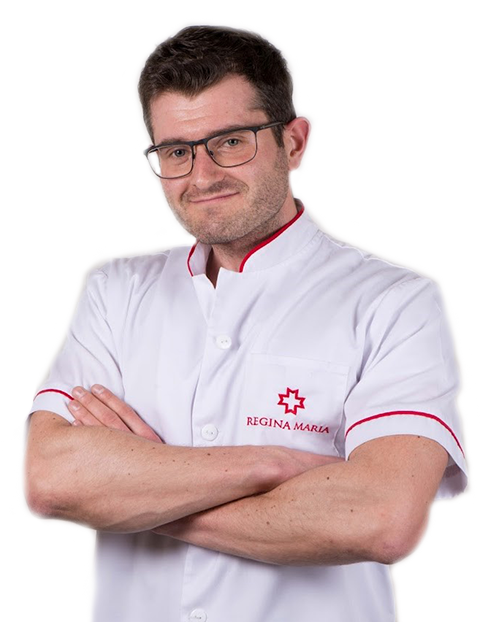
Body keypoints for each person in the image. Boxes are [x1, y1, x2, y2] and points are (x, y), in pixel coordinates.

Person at [21, 24, 468, 622]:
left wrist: (138, 491)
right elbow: (51, 481)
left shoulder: (393, 303)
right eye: (176, 151)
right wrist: (272, 465)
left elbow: (382, 518)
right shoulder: (115, 293)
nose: (202, 176)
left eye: (231, 142)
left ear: (294, 142)